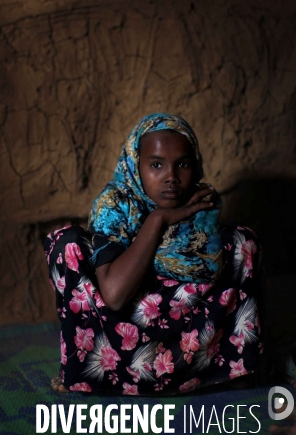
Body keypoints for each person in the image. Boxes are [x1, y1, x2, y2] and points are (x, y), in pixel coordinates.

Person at [44, 113, 263, 395]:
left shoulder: (201, 208)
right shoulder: (115, 206)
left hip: (189, 344)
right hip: (115, 340)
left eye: (182, 164)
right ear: (136, 165)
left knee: (242, 241)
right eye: (156, 165)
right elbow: (114, 295)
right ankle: (89, 374)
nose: (171, 178)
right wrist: (158, 220)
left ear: (195, 168)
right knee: (67, 243)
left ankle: (228, 370)